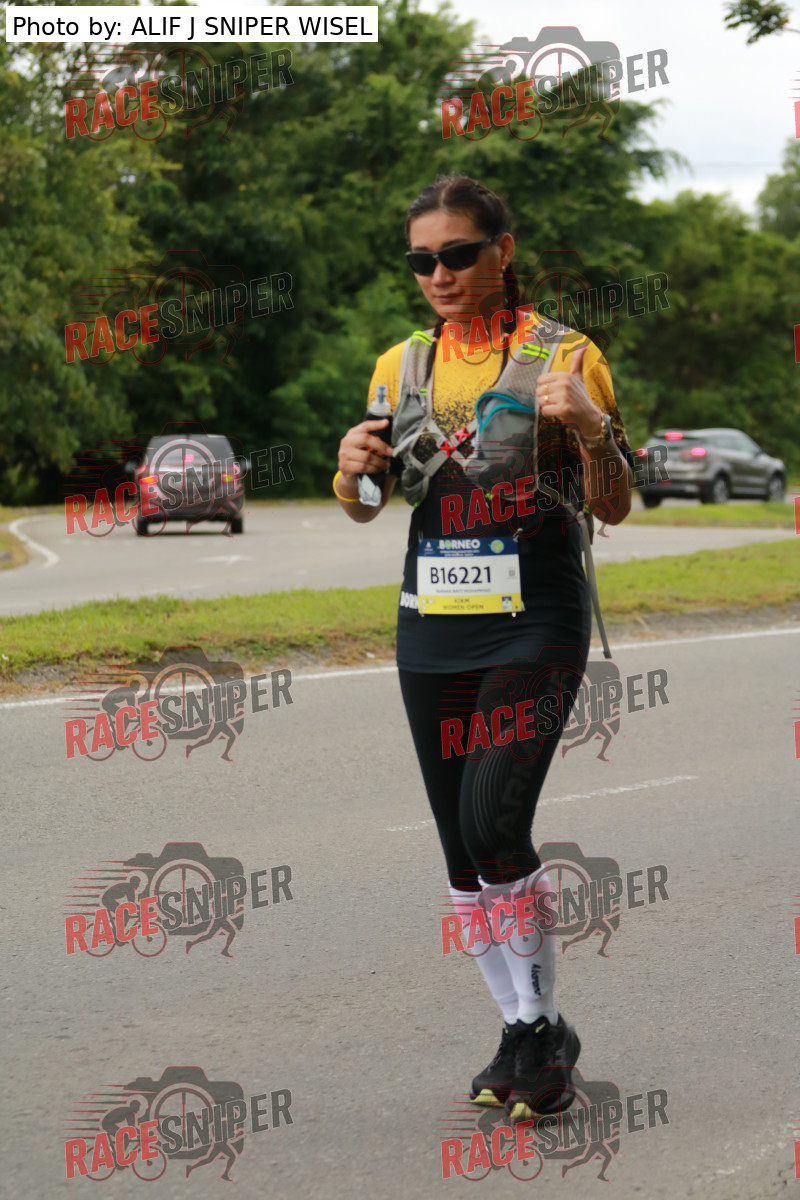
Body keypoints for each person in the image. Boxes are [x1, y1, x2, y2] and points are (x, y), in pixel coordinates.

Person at [334, 175, 633, 1124]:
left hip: (535, 618)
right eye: (422, 260)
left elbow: (617, 502)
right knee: (461, 848)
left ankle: (541, 1031)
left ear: (502, 251)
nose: (440, 275)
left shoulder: (568, 355)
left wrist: (590, 429)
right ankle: (522, 1029)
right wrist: (349, 473)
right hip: (431, 624)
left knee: (494, 820)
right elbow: (373, 502)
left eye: (458, 255)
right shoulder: (401, 365)